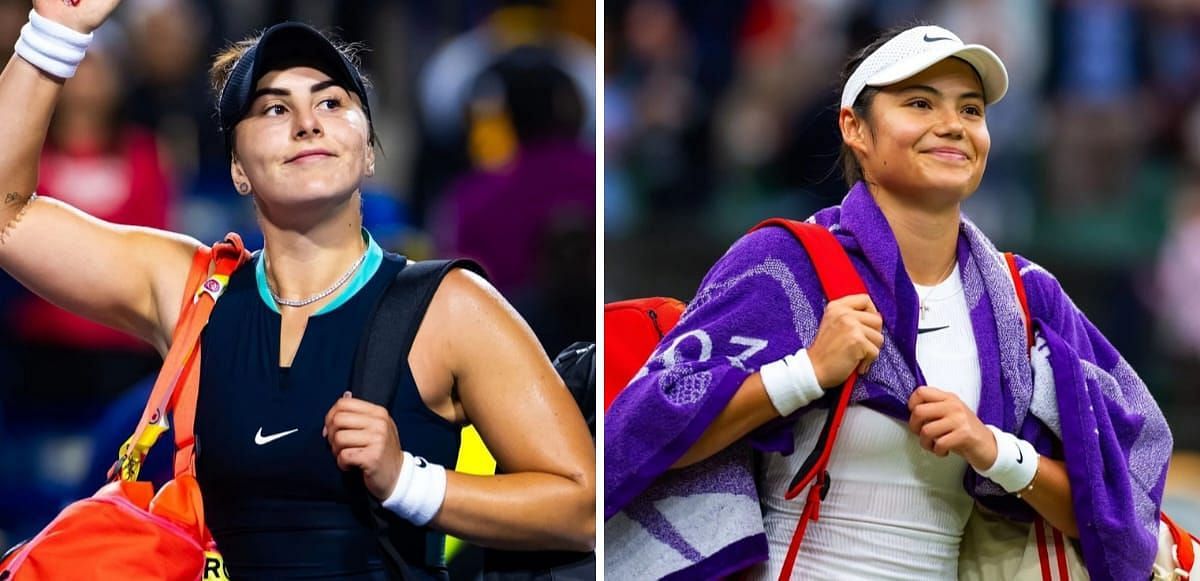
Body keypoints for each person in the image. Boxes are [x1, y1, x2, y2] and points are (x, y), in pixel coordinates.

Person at [0, 1, 595, 579]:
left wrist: (408, 481)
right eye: (274, 109)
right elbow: (6, 217)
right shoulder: (193, 291)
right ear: (237, 167)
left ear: (368, 152)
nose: (307, 122)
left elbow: (582, 504)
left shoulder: (451, 305)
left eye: (332, 102)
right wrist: (52, 35)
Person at [605, 23, 1172, 580]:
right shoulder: (784, 262)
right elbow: (641, 439)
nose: (952, 126)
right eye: (920, 104)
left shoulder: (1027, 298)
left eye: (971, 110)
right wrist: (805, 372)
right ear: (855, 127)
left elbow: (1113, 521)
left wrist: (995, 449)